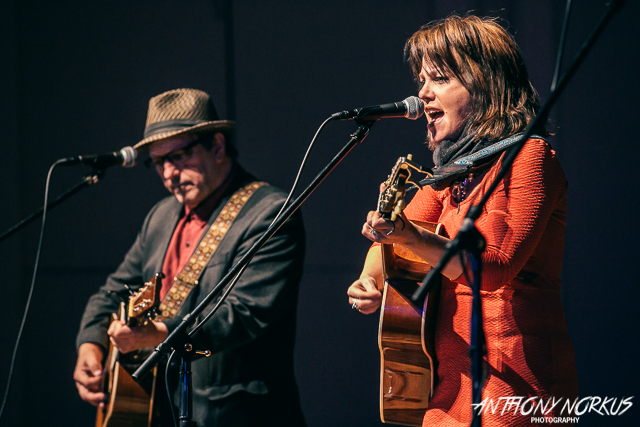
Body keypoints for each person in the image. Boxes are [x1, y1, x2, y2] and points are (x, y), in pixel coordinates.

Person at [347, 15, 578, 426]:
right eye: (422, 80)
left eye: (439, 79)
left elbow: (494, 268)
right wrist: (370, 279)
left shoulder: (530, 157)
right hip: (449, 392)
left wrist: (408, 237)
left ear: (486, 86)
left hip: (517, 390)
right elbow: (392, 242)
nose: (423, 93)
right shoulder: (451, 177)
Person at [73, 88, 307, 427]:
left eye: (179, 156)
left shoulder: (270, 212)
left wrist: (158, 333)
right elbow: (113, 291)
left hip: (237, 414)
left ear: (217, 146)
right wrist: (90, 346)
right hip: (158, 409)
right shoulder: (162, 216)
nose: (168, 173)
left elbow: (244, 314)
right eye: (158, 162)